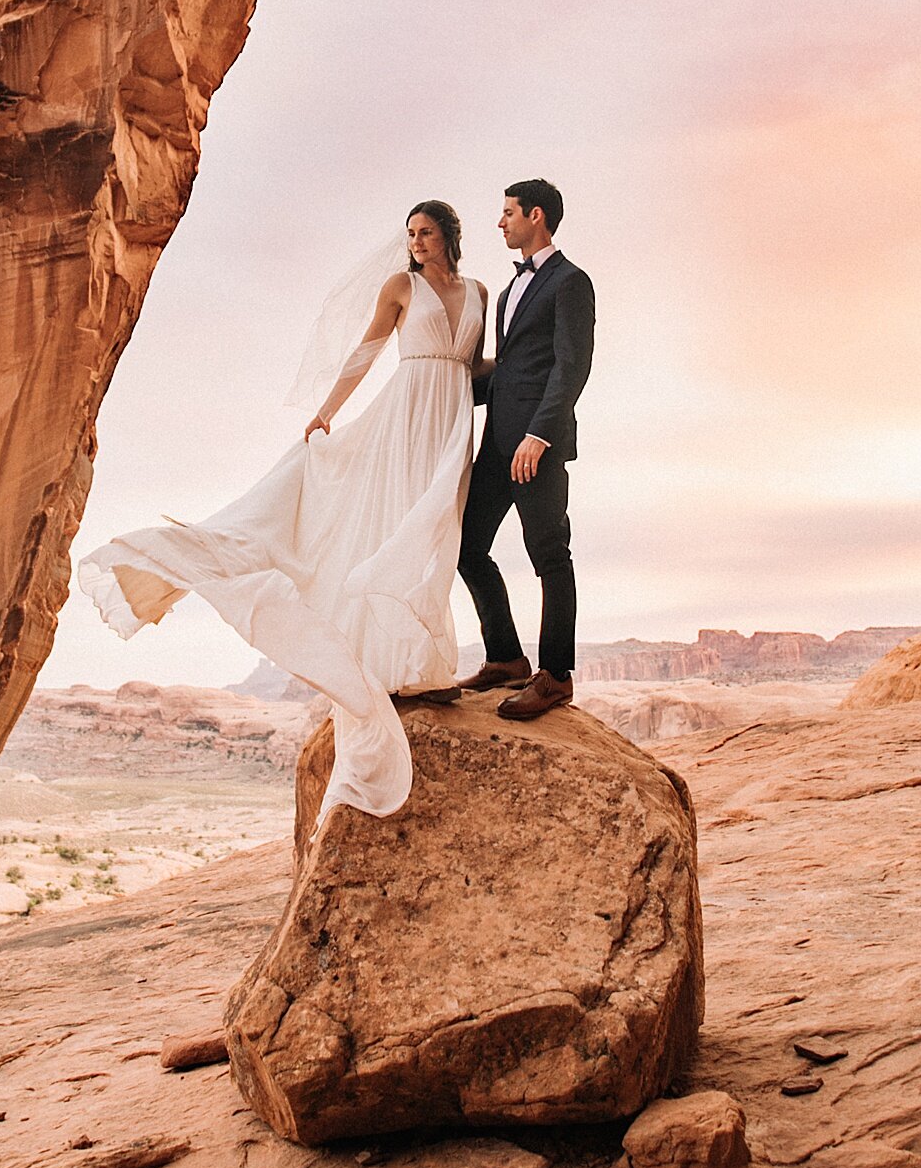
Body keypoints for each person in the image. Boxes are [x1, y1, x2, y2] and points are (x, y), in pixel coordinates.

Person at [77, 203, 486, 820]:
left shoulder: (480, 292)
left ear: (450, 236)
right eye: (410, 233)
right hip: (405, 419)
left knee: (439, 534)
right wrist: (327, 410)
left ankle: (422, 661)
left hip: (453, 420)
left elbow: (483, 365)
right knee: (399, 526)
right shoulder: (401, 286)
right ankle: (393, 664)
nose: (416, 241)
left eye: (426, 232)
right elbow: (365, 353)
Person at [457, 178, 595, 722]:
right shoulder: (510, 289)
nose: (501, 222)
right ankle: (507, 657)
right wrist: (430, 386)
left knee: (549, 556)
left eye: (508, 212)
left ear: (535, 215)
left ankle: (555, 676)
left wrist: (539, 435)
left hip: (538, 444)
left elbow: (570, 366)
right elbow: (509, 370)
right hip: (497, 442)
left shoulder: (571, 283)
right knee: (464, 542)